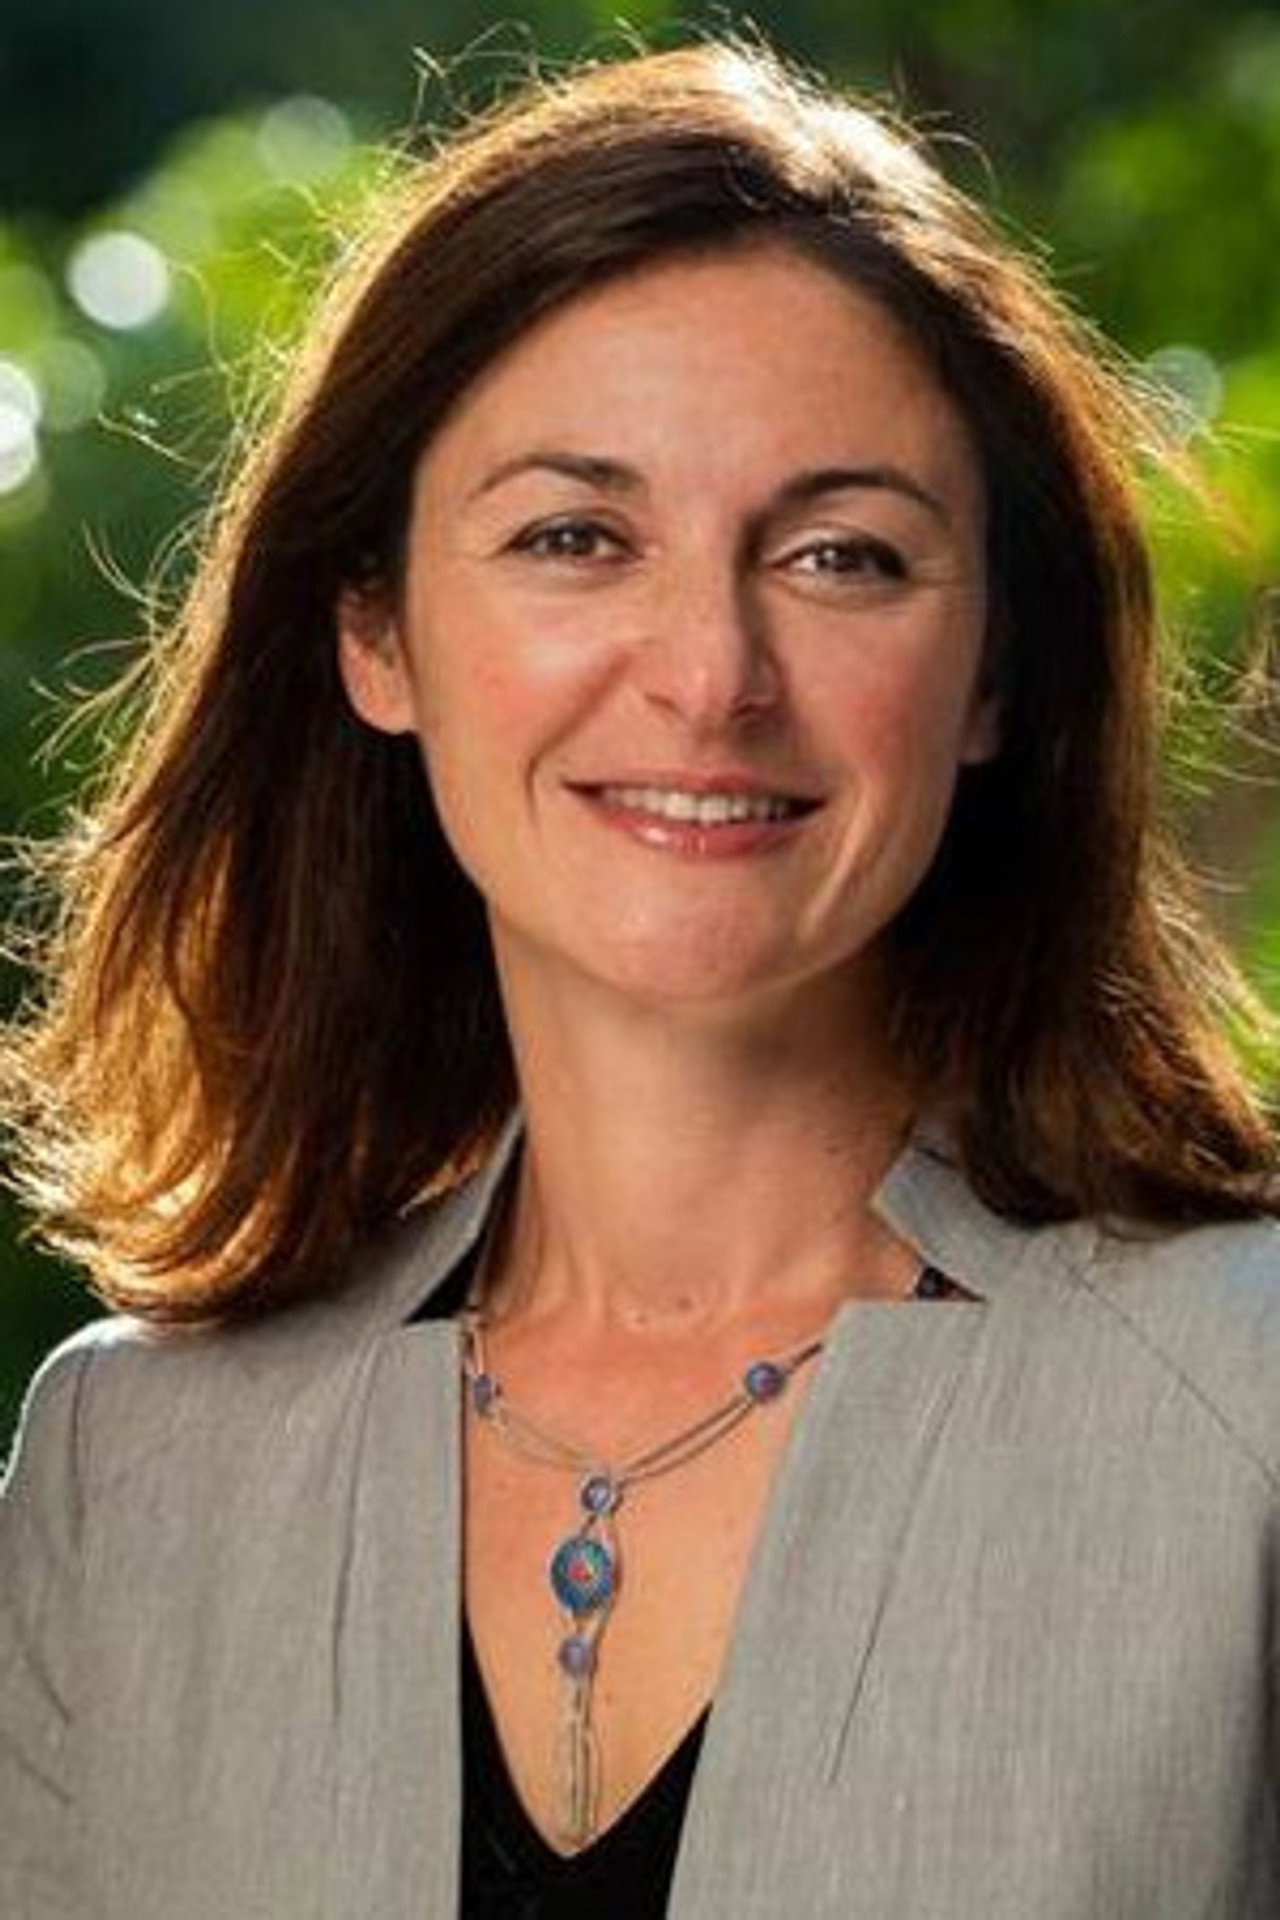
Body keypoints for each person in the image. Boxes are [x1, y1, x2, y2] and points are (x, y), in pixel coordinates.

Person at [2, 35, 1279, 1919]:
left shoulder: (1249, 1402)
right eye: (575, 537)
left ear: (997, 676)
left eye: (842, 556)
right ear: (376, 630)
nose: (710, 676)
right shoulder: (136, 1466)